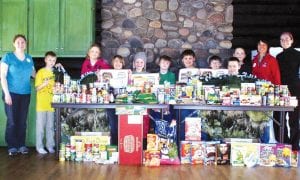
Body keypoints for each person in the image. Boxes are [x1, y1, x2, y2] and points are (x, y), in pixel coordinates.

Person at [1, 34, 36, 155]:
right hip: (11, 93)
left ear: (25, 44)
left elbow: (34, 74)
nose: (21, 44)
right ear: (14, 44)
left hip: (25, 94)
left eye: (23, 42)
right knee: (12, 121)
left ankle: (21, 145)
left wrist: (50, 69)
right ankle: (12, 146)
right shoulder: (8, 57)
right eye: (18, 42)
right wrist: (6, 94)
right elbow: (2, 76)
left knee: (22, 121)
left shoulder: (29, 58)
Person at [252, 40, 281, 143]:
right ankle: (256, 140)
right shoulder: (254, 59)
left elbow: (276, 76)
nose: (261, 46)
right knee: (255, 117)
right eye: (259, 44)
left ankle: (266, 141)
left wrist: (278, 91)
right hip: (255, 94)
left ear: (267, 46)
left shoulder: (271, 60)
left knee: (266, 118)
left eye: (264, 44)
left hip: (268, 93)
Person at [35, 51, 64, 154]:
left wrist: (58, 90)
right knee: (40, 127)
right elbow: (37, 88)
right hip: (41, 105)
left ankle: (50, 146)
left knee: (50, 127)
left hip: (52, 104)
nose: (52, 62)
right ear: (45, 60)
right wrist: (45, 83)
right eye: (50, 60)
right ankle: (39, 147)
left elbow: (59, 87)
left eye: (54, 60)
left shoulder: (56, 72)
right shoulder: (40, 72)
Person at [276, 32, 300, 150]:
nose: (284, 41)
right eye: (282, 39)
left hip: (295, 89)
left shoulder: (298, 54)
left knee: (294, 118)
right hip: (282, 89)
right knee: (279, 117)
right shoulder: (278, 57)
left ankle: (295, 146)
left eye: (287, 39)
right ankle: (284, 142)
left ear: (291, 40)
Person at [106, 55, 126, 145]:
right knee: (113, 127)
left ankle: (122, 148)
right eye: (116, 61)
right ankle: (114, 148)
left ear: (122, 64)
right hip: (111, 104)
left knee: (123, 126)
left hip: (124, 104)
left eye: (120, 62)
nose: (118, 63)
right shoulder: (107, 74)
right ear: (112, 63)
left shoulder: (126, 74)